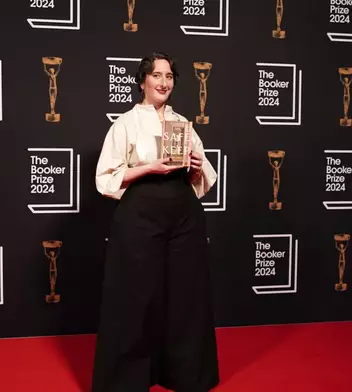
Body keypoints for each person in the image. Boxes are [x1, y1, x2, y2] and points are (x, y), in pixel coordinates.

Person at [92, 52, 220, 392]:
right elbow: (106, 178)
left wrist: (193, 165)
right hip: (140, 214)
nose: (163, 82)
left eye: (169, 76)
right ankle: (128, 379)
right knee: (137, 295)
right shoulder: (125, 123)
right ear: (142, 81)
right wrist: (149, 167)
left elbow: (204, 177)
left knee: (185, 296)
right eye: (156, 75)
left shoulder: (184, 123)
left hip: (183, 216)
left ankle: (184, 374)